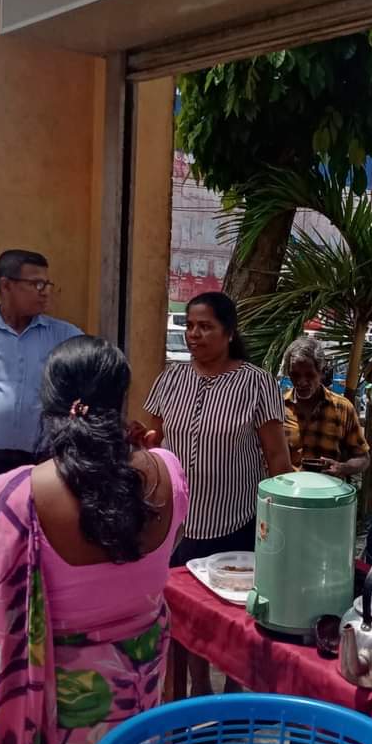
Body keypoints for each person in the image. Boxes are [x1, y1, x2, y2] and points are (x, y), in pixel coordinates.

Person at [0, 336, 188, 744]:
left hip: (55, 713)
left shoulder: (16, 498)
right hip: (134, 705)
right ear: (120, 401)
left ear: (51, 405)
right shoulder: (168, 473)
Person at [138, 291, 292, 694]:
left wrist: (281, 525)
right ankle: (191, 692)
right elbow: (153, 443)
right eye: (189, 325)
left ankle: (231, 702)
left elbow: (277, 457)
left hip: (234, 520)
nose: (194, 334)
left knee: (231, 619)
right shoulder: (170, 378)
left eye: (205, 326)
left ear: (229, 332)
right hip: (175, 523)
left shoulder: (256, 383)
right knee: (178, 617)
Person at [0, 249, 81, 692]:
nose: (45, 292)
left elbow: (86, 385)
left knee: (41, 557)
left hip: (42, 465)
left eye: (48, 284)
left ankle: (32, 647)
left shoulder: (65, 338)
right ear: (6, 285)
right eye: (36, 284)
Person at [283, 337, 370, 478]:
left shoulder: (343, 408)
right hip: (288, 496)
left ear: (322, 372)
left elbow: (363, 458)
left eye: (309, 375)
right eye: (295, 375)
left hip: (327, 496)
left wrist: (342, 467)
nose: (301, 382)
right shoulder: (278, 408)